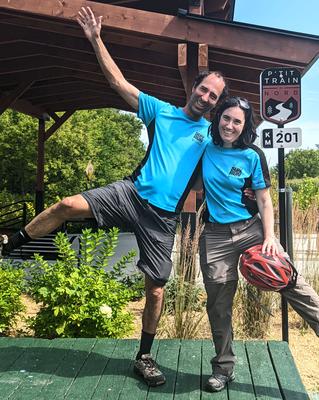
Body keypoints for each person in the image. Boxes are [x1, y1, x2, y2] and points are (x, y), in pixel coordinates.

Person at [0, 6, 228, 387]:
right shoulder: (162, 112)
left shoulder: (211, 137)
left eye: (213, 96)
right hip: (130, 192)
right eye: (203, 89)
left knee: (155, 290)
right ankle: (10, 243)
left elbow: (235, 162)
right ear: (193, 89)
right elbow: (119, 83)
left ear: (216, 103)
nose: (205, 97)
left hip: (162, 218)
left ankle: (144, 356)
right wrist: (95, 38)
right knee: (66, 205)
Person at [199, 96, 319, 393]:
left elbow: (264, 200)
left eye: (237, 121)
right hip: (215, 236)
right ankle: (224, 368)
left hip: (252, 229)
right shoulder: (203, 148)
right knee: (219, 304)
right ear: (217, 119)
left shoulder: (252, 155)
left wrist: (270, 237)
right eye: (226, 118)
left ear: (245, 126)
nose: (230, 125)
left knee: (293, 282)